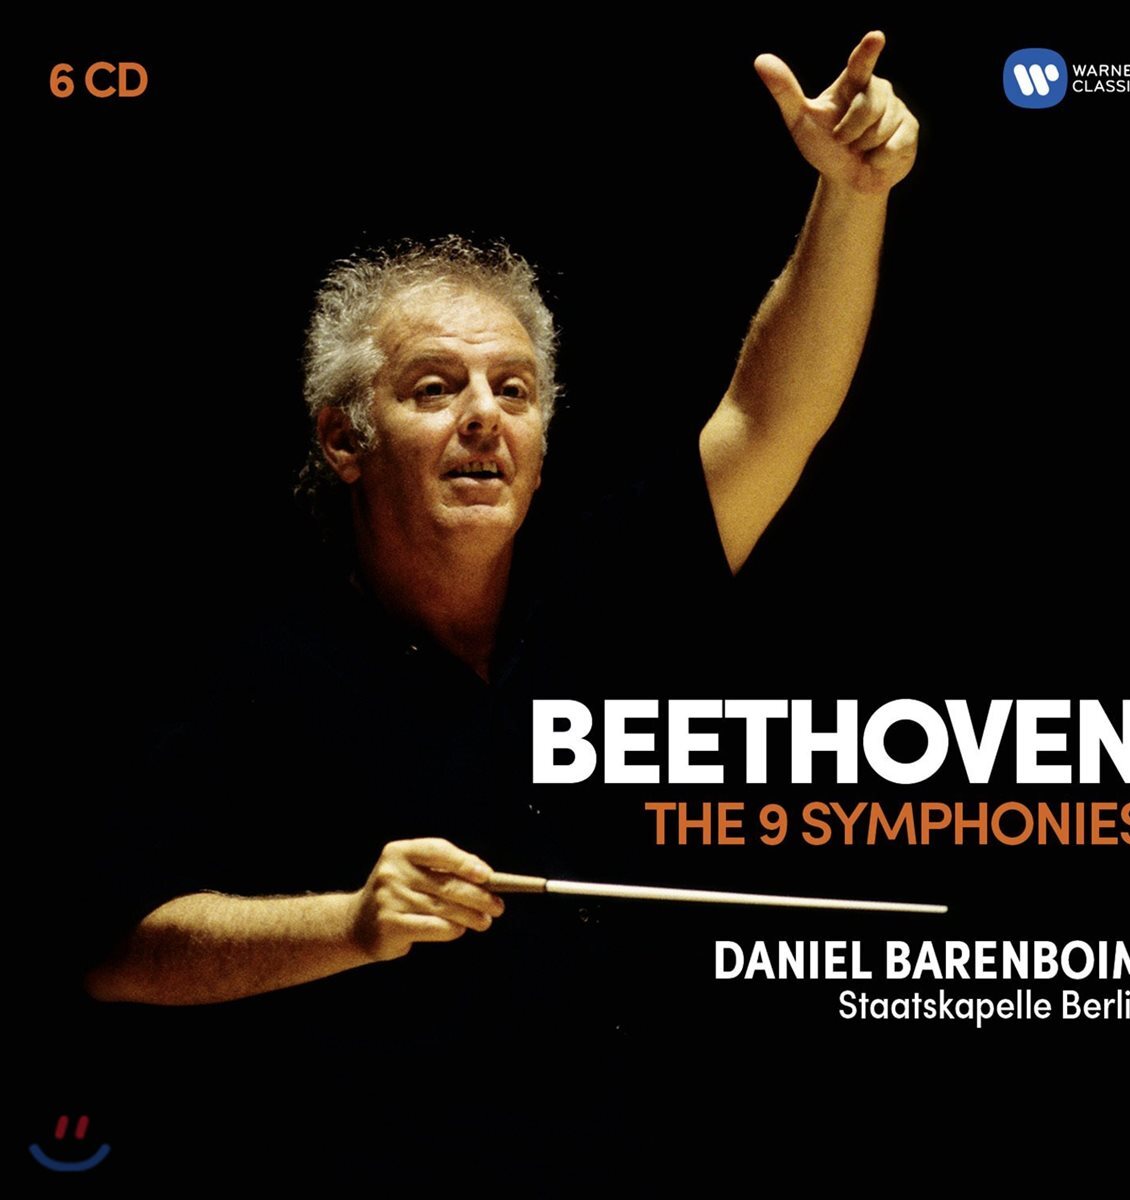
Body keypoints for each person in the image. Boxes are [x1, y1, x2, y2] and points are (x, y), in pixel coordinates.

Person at [84, 31, 918, 1008]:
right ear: (344, 437)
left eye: (514, 389)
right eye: (436, 387)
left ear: (541, 446)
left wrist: (853, 192)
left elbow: (772, 414)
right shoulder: (246, 656)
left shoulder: (603, 578)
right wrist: (349, 923)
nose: (484, 414)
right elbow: (116, 952)